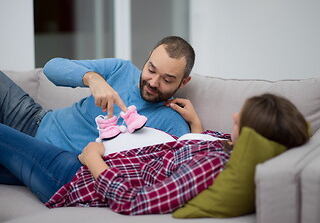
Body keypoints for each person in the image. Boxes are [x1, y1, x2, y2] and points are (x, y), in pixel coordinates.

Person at [0, 93, 310, 215]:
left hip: (70, 177)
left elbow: (137, 201)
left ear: (255, 134)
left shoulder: (213, 166)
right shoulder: (223, 146)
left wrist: (94, 161)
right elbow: (185, 154)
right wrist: (196, 126)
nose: (232, 119)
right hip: (77, 165)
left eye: (241, 120)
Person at [0, 36, 195, 155]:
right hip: (34, 119)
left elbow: (193, 162)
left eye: (167, 80)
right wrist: (92, 78)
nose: (153, 82)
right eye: (151, 70)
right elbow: (52, 67)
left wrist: (195, 124)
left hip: (44, 157)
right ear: (147, 59)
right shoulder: (121, 69)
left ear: (183, 82)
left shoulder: (170, 121)